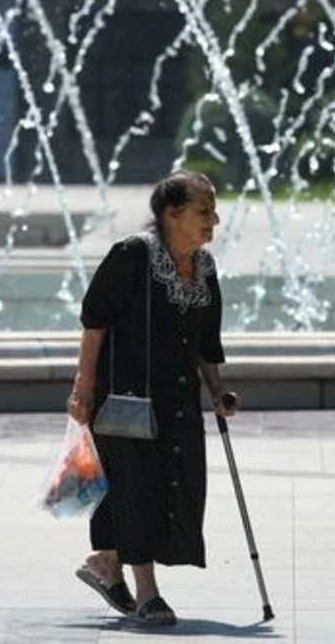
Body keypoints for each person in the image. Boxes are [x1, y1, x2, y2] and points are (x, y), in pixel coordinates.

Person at [66, 170, 238, 626]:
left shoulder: (204, 267)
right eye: (204, 211)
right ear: (171, 213)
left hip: (178, 399)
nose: (213, 220)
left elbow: (207, 342)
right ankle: (147, 592)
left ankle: (107, 562)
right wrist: (83, 388)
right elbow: (94, 320)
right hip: (127, 399)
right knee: (138, 487)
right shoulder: (132, 256)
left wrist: (218, 390)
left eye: (213, 211)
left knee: (175, 486)